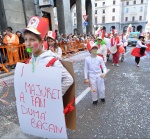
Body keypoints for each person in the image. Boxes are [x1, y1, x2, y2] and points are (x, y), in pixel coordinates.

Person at [23, 16, 73, 95]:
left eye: (32, 40)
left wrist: (53, 96)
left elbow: (68, 79)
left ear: (41, 42)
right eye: (26, 40)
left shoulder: (51, 61)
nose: (28, 44)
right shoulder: (29, 61)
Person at [84, 41, 107, 105]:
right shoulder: (87, 59)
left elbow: (104, 67)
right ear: (90, 50)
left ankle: (102, 97)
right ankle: (95, 100)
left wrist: (104, 73)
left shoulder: (100, 58)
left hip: (99, 75)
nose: (95, 50)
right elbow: (85, 69)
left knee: (101, 88)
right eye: (93, 49)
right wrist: (86, 78)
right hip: (92, 76)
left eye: (96, 48)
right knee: (93, 88)